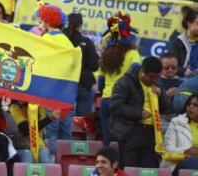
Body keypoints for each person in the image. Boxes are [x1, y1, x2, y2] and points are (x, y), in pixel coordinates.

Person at [110, 56, 171, 168]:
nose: (154, 80)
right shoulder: (126, 82)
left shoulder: (157, 84)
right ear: (142, 72)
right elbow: (115, 105)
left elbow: (167, 109)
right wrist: (138, 113)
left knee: (149, 169)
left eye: (157, 77)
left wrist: (161, 95)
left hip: (151, 134)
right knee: (129, 168)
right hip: (131, 131)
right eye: (152, 77)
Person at [35, 4, 74, 156]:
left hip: (51, 95)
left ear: (47, 21)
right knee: (66, 137)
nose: (39, 25)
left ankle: (52, 169)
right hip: (68, 95)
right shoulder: (66, 39)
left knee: (50, 135)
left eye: (40, 21)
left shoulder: (46, 38)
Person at [98, 12, 140, 146]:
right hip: (123, 102)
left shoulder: (105, 55)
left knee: (107, 139)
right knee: (122, 142)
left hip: (105, 100)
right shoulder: (133, 54)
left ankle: (106, 164)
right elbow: (136, 72)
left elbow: (100, 83)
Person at [64, 13, 99, 116]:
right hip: (83, 84)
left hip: (65, 84)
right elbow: (94, 66)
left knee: (62, 120)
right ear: (80, 25)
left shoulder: (62, 41)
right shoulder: (87, 42)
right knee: (81, 122)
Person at [160, 94, 198, 175]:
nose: (190, 107)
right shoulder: (176, 122)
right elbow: (167, 149)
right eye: (189, 104)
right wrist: (186, 151)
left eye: (195, 105)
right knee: (192, 161)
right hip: (177, 165)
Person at [158, 53, 184, 133]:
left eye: (173, 67)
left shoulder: (183, 82)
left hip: (179, 117)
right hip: (160, 117)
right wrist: (165, 95)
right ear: (160, 67)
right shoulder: (155, 81)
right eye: (166, 68)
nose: (170, 70)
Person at [170, 7, 198, 78]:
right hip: (181, 79)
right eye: (197, 23)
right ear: (188, 23)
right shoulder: (177, 42)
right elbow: (172, 66)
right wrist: (188, 73)